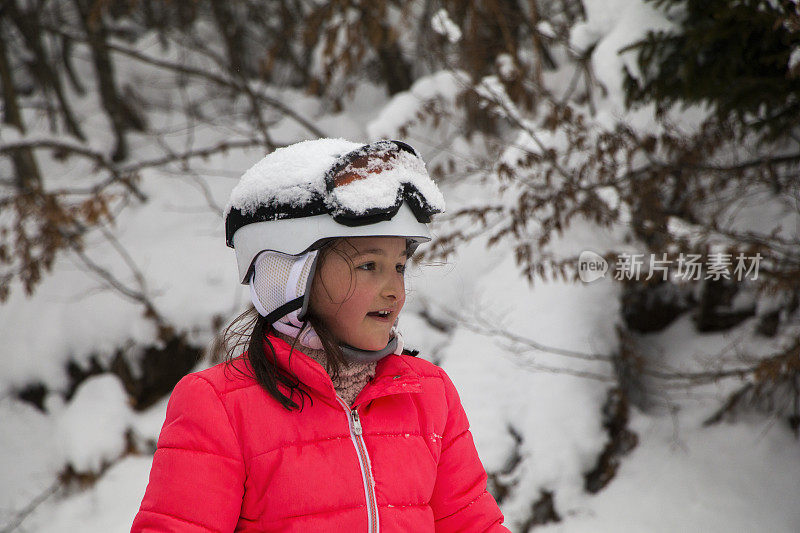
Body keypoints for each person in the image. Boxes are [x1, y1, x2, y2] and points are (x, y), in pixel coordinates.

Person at [131, 138, 510, 532]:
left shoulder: (428, 395)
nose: (394, 290)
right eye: (368, 266)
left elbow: (473, 524)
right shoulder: (221, 407)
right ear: (291, 275)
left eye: (399, 265)